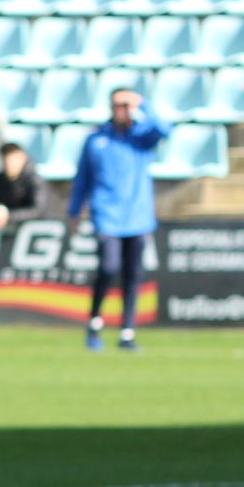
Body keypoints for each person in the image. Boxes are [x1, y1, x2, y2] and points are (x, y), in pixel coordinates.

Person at [69, 88, 167, 353]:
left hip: (137, 216)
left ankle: (127, 331)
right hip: (107, 215)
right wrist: (74, 211)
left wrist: (144, 104)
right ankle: (94, 322)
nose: (121, 109)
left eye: (126, 104)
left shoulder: (140, 138)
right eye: (117, 104)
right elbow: (82, 179)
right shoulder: (97, 140)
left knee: (133, 275)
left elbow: (165, 130)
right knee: (109, 267)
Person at [0, 141, 43, 231]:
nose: (9, 164)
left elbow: (37, 211)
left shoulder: (35, 180)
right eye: (6, 160)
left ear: (23, 158)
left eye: (12, 160)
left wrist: (8, 216)